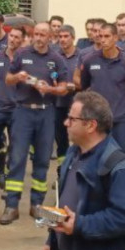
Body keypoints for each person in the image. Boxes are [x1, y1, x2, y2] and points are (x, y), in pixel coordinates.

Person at [43, 91, 125, 250]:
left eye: (72, 119)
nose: (66, 123)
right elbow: (66, 200)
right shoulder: (73, 154)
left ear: (90, 125)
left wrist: (79, 224)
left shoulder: (118, 166)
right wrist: (52, 242)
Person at [1, 22, 66, 224]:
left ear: (49, 37)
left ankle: (36, 205)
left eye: (43, 34)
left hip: (46, 113)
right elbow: (8, 79)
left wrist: (52, 90)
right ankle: (11, 206)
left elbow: (64, 87)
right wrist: (18, 77)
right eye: (36, 34)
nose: (38, 38)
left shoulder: (56, 59)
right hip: (23, 112)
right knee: (17, 158)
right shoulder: (22, 54)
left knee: (43, 160)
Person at [79, 22, 125, 156]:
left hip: (120, 121)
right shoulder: (89, 60)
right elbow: (85, 86)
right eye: (100, 36)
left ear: (116, 38)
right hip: (96, 121)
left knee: (121, 159)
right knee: (95, 158)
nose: (103, 40)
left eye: (107, 36)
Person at [0, 26, 24, 194]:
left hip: (18, 110)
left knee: (16, 148)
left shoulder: (25, 58)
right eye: (11, 36)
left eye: (17, 37)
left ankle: (9, 182)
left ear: (22, 40)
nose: (12, 39)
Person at [54, 25, 82, 161]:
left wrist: (72, 86)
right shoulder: (54, 56)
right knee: (61, 140)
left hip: (77, 105)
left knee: (78, 139)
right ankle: (62, 171)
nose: (63, 40)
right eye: (60, 37)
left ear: (73, 37)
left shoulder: (82, 56)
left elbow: (86, 81)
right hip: (58, 104)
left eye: (66, 36)